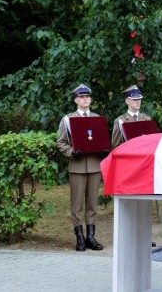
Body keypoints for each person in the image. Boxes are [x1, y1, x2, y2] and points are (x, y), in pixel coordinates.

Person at [56, 83, 105, 251]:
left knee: (92, 203)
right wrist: (71, 152)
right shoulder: (68, 119)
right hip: (77, 166)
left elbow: (100, 139)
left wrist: (104, 150)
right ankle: (79, 237)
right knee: (77, 204)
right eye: (82, 97)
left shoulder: (97, 118)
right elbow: (60, 142)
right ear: (76, 100)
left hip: (94, 165)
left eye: (88, 97)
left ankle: (91, 236)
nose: (85, 99)